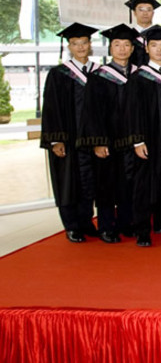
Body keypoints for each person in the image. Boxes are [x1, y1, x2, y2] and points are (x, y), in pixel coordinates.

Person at [79, 24, 139, 243]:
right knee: (106, 184)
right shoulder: (99, 77)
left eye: (126, 45)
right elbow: (91, 113)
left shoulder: (138, 75)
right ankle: (106, 226)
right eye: (117, 45)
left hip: (132, 140)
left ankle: (127, 222)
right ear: (110, 48)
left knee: (129, 183)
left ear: (132, 49)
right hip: (109, 141)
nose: (122, 49)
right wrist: (98, 142)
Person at [40, 22, 99, 243]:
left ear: (90, 45)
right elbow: (51, 108)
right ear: (69, 47)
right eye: (76, 44)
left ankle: (86, 221)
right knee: (68, 182)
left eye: (84, 43)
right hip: (68, 138)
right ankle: (71, 226)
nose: (81, 47)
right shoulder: (59, 74)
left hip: (92, 139)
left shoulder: (98, 73)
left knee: (89, 182)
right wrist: (55, 140)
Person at [125, 26, 161, 247]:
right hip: (148, 139)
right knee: (145, 183)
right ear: (147, 48)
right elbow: (133, 111)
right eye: (154, 46)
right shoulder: (138, 77)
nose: (159, 50)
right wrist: (138, 140)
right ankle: (142, 229)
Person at [125, 0, 161, 67]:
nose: (145, 13)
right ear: (134, 13)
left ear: (153, 13)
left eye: (149, 10)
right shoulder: (127, 36)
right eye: (141, 10)